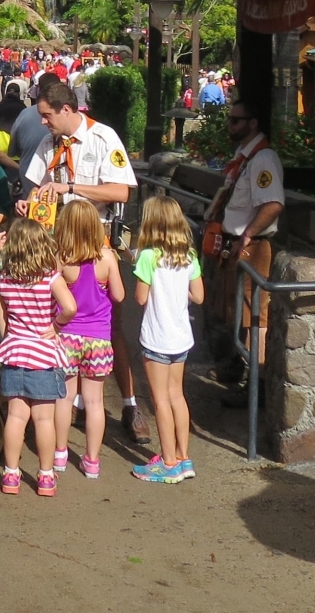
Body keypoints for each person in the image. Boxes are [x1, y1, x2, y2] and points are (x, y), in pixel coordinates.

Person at [0, 217, 78, 496]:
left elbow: (1, 318)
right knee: (43, 420)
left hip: (14, 352)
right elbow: (70, 307)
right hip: (43, 354)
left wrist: (9, 338)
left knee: (16, 417)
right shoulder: (50, 278)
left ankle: (10, 474)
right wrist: (55, 326)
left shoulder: (3, 279)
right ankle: (46, 476)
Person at [205, 101, 283, 388]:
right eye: (230, 120)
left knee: (253, 316)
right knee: (234, 312)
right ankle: (238, 373)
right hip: (235, 245)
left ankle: (256, 384)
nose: (230, 125)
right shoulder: (246, 157)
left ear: (252, 123)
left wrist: (247, 235)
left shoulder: (263, 159)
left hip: (251, 247)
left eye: (236, 121)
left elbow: (273, 204)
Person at [133, 193, 204, 483]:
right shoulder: (189, 256)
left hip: (156, 338)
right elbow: (198, 296)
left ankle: (168, 462)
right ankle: (184, 457)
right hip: (181, 337)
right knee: (177, 395)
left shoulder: (148, 257)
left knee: (160, 399)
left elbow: (140, 298)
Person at [54, 200, 124, 479]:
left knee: (64, 397)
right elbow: (119, 295)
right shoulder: (106, 258)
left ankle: (59, 453)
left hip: (66, 335)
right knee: (94, 402)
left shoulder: (61, 257)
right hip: (98, 339)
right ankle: (92, 461)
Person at [19, 81, 138, 213]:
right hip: (60, 223)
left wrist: (70, 188)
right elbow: (38, 187)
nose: (43, 122)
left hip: (95, 223)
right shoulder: (48, 142)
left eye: (47, 115)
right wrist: (29, 202)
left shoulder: (104, 138)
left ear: (66, 110)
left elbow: (121, 192)